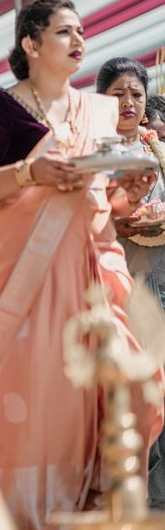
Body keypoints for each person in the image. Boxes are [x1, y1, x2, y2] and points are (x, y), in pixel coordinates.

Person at [0, 0, 164, 528]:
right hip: (29, 278)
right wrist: (29, 173)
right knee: (41, 405)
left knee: (138, 389)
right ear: (31, 43)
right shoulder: (0, 111)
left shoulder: (94, 111)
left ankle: (99, 506)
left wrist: (128, 196)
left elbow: (97, 201)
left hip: (95, 272)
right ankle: (24, 515)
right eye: (66, 32)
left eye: (82, 32)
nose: (80, 42)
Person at [95, 57, 165, 510]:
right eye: (118, 93)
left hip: (161, 278)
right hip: (118, 287)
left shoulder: (158, 149)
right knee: (133, 394)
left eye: (136, 94)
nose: (128, 102)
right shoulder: (90, 151)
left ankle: (157, 500)